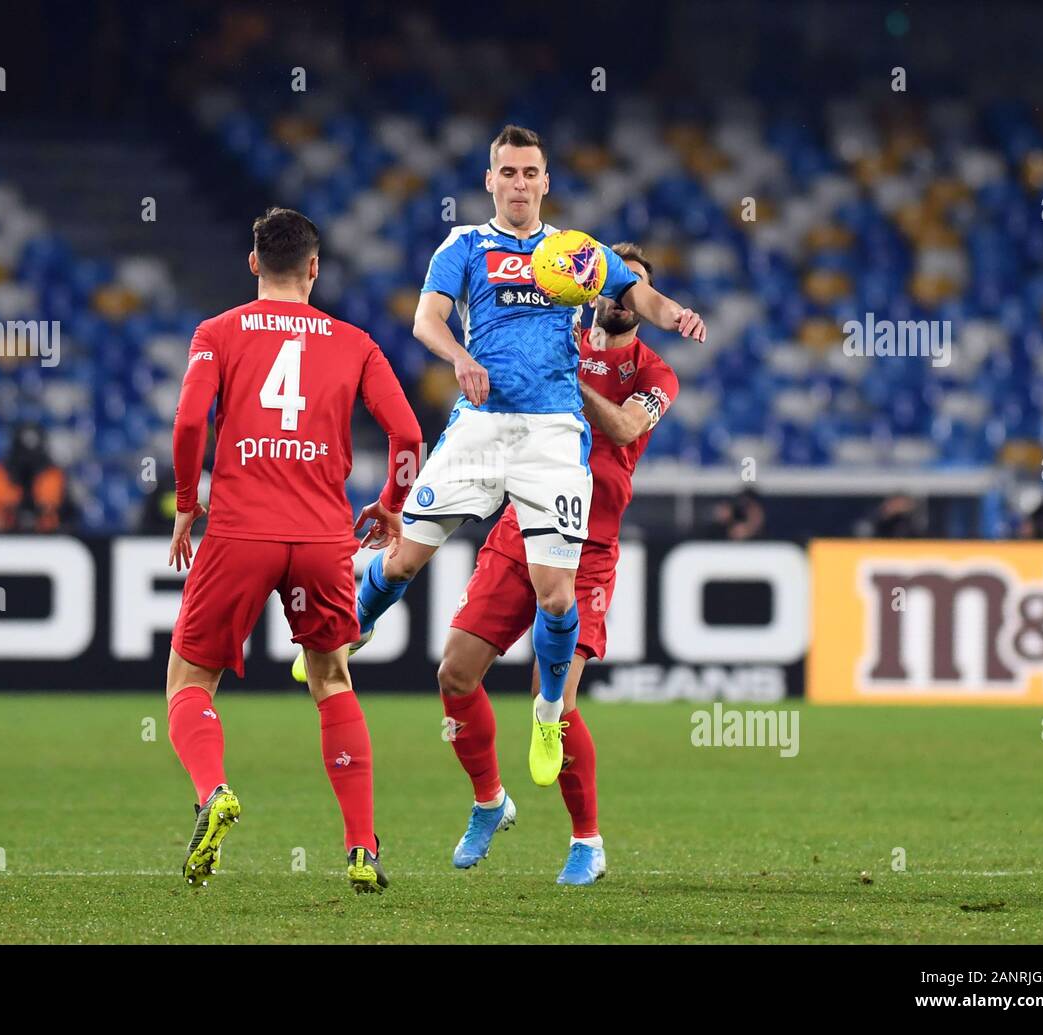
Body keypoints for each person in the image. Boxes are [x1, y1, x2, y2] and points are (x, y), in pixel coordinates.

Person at [294, 126, 706, 790]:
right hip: (479, 427)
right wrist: (459, 357)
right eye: (507, 172)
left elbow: (637, 294)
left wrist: (675, 312)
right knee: (401, 557)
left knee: (555, 593)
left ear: (546, 183)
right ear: (490, 181)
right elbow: (426, 319)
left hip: (550, 434)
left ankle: (547, 712)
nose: (519, 183)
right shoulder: (463, 246)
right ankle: (355, 623)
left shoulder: (573, 253)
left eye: (530, 173)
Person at [166, 207, 422, 893]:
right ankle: (362, 847)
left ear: (253, 263)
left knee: (190, 683)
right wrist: (391, 507)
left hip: (240, 531)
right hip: (321, 536)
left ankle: (213, 791)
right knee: (332, 679)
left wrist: (188, 502)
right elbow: (406, 434)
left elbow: (191, 419)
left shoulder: (217, 333)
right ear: (314, 268)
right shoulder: (356, 343)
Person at [437, 243, 679, 884]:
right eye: (606, 283)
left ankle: (587, 841)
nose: (614, 297)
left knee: (558, 704)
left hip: (589, 550)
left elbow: (627, 430)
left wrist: (564, 377)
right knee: (455, 674)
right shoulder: (560, 329)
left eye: (631, 288)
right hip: (523, 527)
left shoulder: (656, 375)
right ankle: (490, 800)